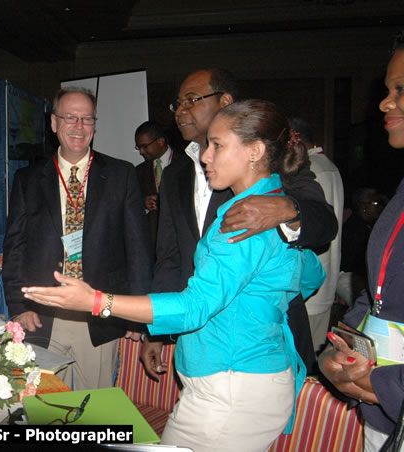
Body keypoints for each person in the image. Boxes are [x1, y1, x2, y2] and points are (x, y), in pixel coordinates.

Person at [23, 99, 325, 451]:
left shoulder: (241, 222)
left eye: (217, 146)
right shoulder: (274, 207)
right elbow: (309, 276)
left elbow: (194, 307)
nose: (205, 156)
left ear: (255, 151)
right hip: (250, 381)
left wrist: (95, 300)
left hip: (230, 389)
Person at [141, 69, 337, 378]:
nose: (180, 111)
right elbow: (170, 256)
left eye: (191, 100)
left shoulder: (268, 159)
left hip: (261, 346)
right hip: (200, 340)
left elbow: (325, 222)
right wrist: (156, 333)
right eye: (176, 104)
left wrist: (286, 207)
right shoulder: (175, 174)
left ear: (226, 101)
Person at [3, 87, 152, 390]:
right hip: (43, 313)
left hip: (97, 315)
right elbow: (15, 246)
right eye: (70, 117)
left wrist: (136, 314)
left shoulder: (121, 175)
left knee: (93, 409)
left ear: (95, 126)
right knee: (44, 406)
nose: (79, 126)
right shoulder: (28, 179)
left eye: (86, 119)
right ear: (54, 123)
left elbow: (138, 248)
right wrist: (19, 305)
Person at [320, 33, 404, 452]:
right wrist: (343, 346)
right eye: (388, 90)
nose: (385, 103)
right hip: (382, 411)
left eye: (400, 90)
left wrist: (385, 384)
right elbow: (378, 295)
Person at [287, 117, 344, 353]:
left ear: (294, 137)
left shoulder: (310, 172)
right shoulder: (328, 165)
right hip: (325, 277)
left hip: (310, 282)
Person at [134, 121, 177, 263]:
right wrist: (143, 204)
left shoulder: (186, 163)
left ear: (160, 141)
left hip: (180, 241)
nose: (141, 152)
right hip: (152, 246)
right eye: (138, 147)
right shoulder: (138, 172)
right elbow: (130, 206)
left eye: (145, 146)